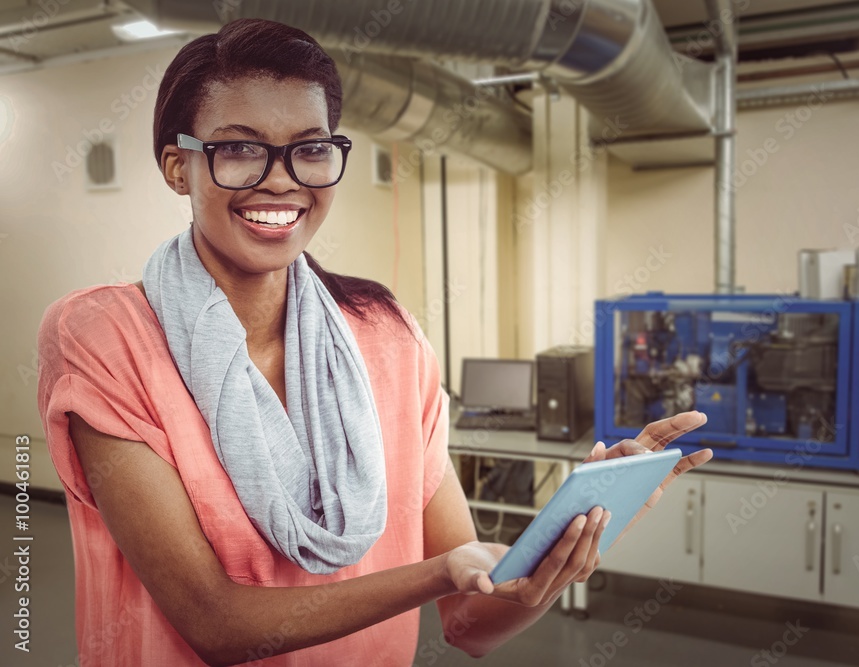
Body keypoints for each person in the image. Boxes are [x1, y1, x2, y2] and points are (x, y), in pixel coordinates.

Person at [35, 18, 712, 667]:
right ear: (178, 166)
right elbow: (213, 624)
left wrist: (565, 544)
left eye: (309, 148)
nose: (281, 178)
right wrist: (440, 571)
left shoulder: (387, 338)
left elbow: (472, 623)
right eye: (239, 148)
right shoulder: (106, 338)